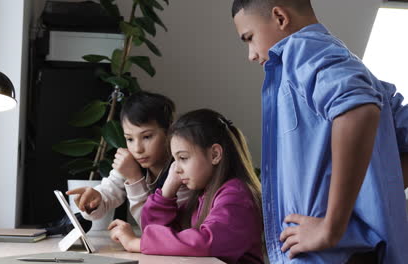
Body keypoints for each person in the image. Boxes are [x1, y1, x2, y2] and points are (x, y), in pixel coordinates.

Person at [231, 0, 408, 263]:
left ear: (280, 17)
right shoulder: (351, 67)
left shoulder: (305, 51)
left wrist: (331, 228)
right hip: (351, 252)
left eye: (250, 38)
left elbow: (359, 110)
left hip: (331, 254)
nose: (252, 54)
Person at [108, 109, 264, 264]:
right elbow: (155, 232)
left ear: (215, 154)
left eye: (183, 158)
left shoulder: (237, 195)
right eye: (174, 160)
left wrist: (135, 243)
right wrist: (166, 193)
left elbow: (206, 243)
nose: (176, 168)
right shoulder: (201, 194)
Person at [67, 91, 190, 227]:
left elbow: (153, 229)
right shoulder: (132, 161)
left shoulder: (182, 169)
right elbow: (107, 194)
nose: (137, 149)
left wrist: (134, 179)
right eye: (129, 139)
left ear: (169, 133)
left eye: (147, 137)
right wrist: (95, 201)